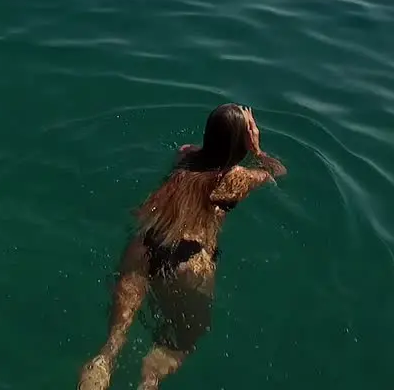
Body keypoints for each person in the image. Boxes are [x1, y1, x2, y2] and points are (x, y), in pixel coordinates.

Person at [77, 104, 287, 390]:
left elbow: (199, 152)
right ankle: (148, 382)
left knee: (111, 345)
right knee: (178, 345)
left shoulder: (184, 156)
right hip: (188, 262)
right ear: (242, 143)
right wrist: (258, 150)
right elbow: (277, 171)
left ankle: (102, 367)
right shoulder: (239, 179)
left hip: (145, 245)